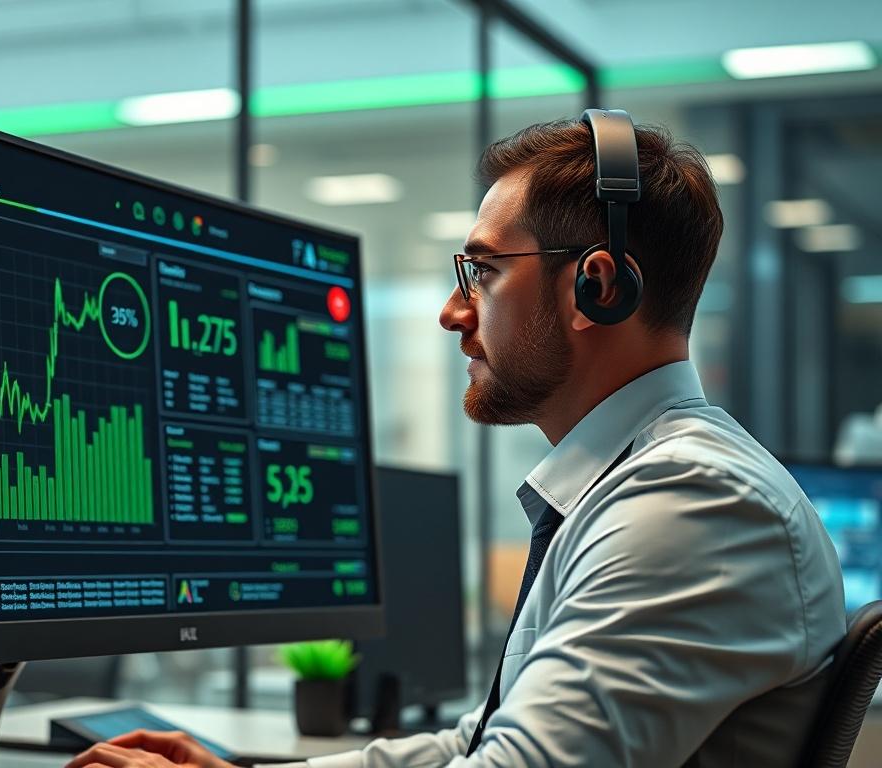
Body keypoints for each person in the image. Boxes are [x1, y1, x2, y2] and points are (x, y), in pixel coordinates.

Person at [66, 117, 846, 768]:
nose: (452, 311)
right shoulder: (638, 485)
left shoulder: (690, 501)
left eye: (481, 272)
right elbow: (481, 741)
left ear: (596, 288)